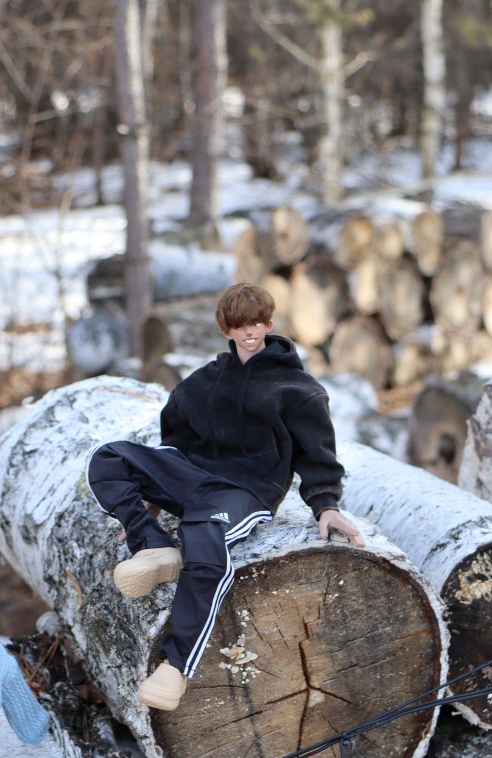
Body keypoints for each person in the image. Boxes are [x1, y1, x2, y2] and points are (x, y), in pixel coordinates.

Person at [86, 281, 364, 712]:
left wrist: (326, 504)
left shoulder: (297, 389)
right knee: (109, 458)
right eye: (240, 326)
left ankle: (176, 665)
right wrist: (155, 493)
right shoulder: (208, 379)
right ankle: (153, 545)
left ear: (269, 324)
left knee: (203, 531)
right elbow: (174, 426)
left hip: (246, 490)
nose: (250, 332)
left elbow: (318, 453)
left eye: (257, 324)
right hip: (194, 475)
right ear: (226, 330)